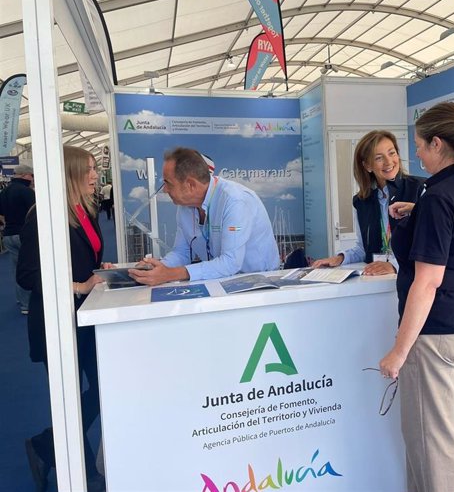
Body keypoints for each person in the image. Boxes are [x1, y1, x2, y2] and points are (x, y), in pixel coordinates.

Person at [379, 102, 454, 492]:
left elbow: (426, 283)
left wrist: (399, 350)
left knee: (436, 443)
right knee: (423, 436)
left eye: (420, 147)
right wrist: (420, 210)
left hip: (435, 333)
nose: (417, 156)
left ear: (438, 143)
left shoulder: (440, 196)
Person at [17, 146, 107, 492]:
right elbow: (26, 275)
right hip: (55, 324)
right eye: (88, 169)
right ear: (69, 173)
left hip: (83, 320)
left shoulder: (86, 210)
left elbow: (86, 256)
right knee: (72, 395)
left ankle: (50, 447)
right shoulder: (44, 217)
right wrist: (79, 285)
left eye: (95, 168)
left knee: (98, 389)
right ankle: (73, 462)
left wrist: (101, 271)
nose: (95, 175)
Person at [129, 147, 279, 286]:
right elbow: (182, 252)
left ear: (190, 185)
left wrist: (170, 274)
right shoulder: (185, 206)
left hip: (260, 284)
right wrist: (155, 268)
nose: (164, 190)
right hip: (223, 282)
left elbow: (230, 262)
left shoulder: (235, 201)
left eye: (168, 183)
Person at [312, 130, 424, 276]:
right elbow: (362, 249)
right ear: (367, 166)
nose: (389, 162)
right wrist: (340, 258)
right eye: (379, 158)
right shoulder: (362, 202)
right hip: (377, 282)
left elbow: (428, 245)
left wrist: (395, 265)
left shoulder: (419, 189)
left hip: (412, 278)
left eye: (392, 153)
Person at [0, 163, 35, 314]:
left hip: (8, 234)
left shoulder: (4, 191)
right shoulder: (27, 192)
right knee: (31, 267)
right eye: (32, 176)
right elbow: (35, 213)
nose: (33, 179)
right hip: (25, 235)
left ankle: (23, 302)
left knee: (16, 269)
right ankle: (30, 301)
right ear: (25, 175)